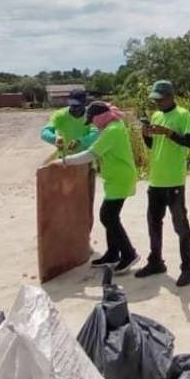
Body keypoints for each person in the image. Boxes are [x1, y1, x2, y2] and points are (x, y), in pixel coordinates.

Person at [53, 101, 139, 274]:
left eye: (93, 120)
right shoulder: (113, 125)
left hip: (120, 178)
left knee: (107, 216)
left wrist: (64, 161)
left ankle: (129, 254)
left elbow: (91, 154)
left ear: (101, 117)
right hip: (114, 178)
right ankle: (113, 254)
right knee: (111, 216)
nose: (92, 124)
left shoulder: (112, 131)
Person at [135, 80, 190, 287]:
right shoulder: (156, 115)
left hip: (174, 180)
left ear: (171, 96)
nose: (158, 103)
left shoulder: (183, 114)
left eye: (160, 99)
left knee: (180, 225)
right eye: (155, 100)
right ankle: (156, 262)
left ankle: (188, 268)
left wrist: (168, 132)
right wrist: (146, 135)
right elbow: (153, 146)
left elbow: (188, 142)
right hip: (156, 180)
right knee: (154, 223)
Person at [40, 89, 99, 236]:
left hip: (85, 165)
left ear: (84, 104)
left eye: (77, 106)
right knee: (63, 204)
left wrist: (81, 142)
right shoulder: (60, 115)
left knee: (85, 205)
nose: (74, 109)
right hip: (64, 165)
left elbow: (95, 134)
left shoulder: (90, 115)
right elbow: (45, 132)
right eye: (72, 105)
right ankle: (65, 239)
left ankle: (84, 239)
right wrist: (55, 138)